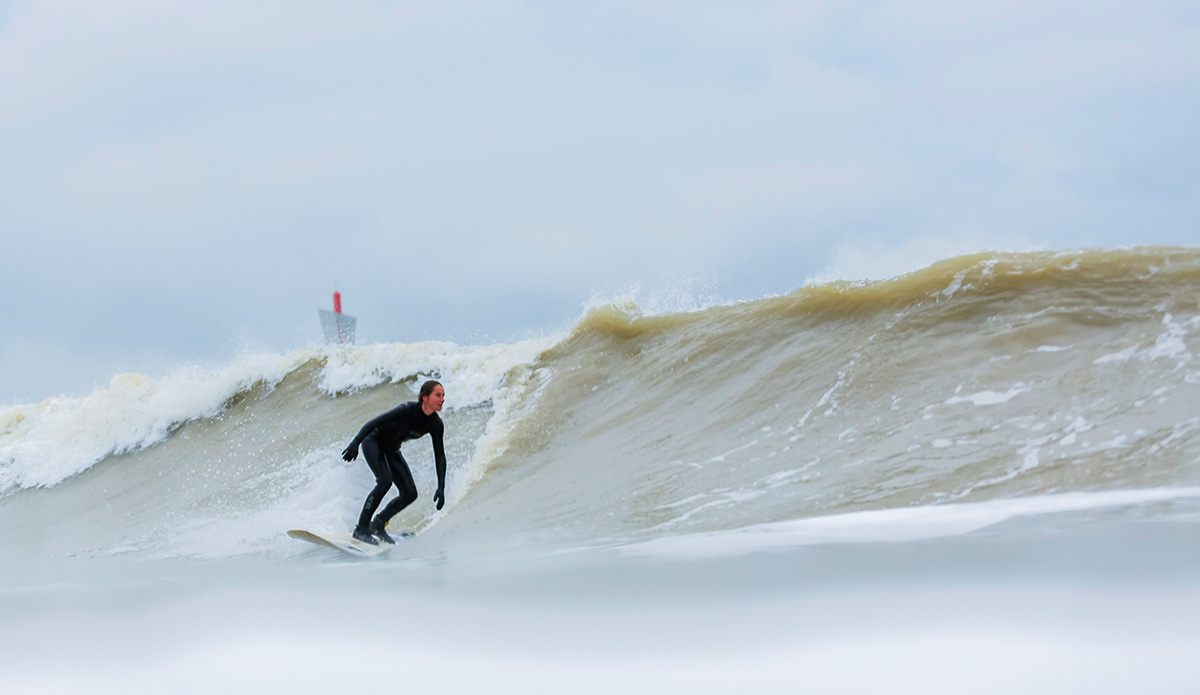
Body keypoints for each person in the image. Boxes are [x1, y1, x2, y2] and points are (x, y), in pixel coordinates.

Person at [341, 380, 447, 545]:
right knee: (384, 481)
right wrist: (355, 442)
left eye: (443, 396)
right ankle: (361, 529)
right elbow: (375, 422)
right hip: (373, 441)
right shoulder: (406, 410)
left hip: (391, 449)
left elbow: (439, 455)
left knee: (410, 493)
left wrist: (441, 486)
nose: (442, 399)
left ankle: (378, 524)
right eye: (438, 395)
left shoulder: (435, 424)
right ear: (425, 397)